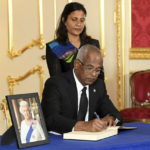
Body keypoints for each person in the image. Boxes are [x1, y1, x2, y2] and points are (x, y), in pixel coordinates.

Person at [41, 44, 122, 134]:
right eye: (90, 68)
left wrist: (110, 118)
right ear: (76, 64)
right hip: (62, 140)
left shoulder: (98, 85)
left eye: (98, 70)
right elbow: (50, 119)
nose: (94, 74)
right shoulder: (56, 84)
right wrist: (83, 126)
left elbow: (115, 113)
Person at [46, 2, 104, 80]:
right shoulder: (55, 46)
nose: (78, 24)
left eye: (82, 20)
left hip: (93, 91)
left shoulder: (93, 44)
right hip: (66, 91)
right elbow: (57, 81)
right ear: (64, 20)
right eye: (74, 19)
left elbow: (100, 76)